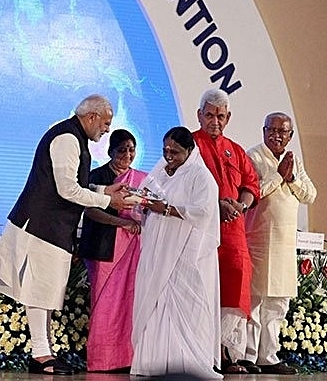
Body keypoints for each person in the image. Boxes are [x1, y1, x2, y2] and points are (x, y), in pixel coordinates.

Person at [0, 94, 134, 376]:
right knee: (39, 291)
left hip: (53, 229)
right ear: (91, 117)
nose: (106, 130)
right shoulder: (67, 138)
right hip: (42, 227)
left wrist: (105, 191)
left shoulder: (75, 138)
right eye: (105, 123)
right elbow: (66, 189)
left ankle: (44, 352)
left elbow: (75, 183)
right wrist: (108, 202)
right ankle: (40, 354)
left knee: (46, 291)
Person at [131, 126, 221, 379]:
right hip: (157, 249)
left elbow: (203, 212)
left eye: (176, 152)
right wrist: (143, 201)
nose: (169, 156)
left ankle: (188, 363)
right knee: (155, 299)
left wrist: (167, 208)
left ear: (189, 151)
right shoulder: (160, 169)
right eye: (165, 150)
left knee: (184, 305)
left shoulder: (201, 176)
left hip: (185, 252)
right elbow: (147, 194)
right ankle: (151, 362)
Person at [192, 88, 260, 374]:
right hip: (201, 233)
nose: (215, 121)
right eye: (209, 115)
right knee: (203, 292)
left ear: (228, 117)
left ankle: (227, 356)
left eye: (220, 116)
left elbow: (251, 185)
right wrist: (216, 204)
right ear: (199, 115)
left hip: (233, 236)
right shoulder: (191, 145)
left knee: (234, 289)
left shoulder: (236, 149)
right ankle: (205, 354)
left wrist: (241, 206)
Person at [242, 112, 316, 375]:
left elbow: (311, 195)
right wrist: (279, 176)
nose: (276, 135)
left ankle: (268, 356)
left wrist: (292, 177)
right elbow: (254, 192)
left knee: (278, 303)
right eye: (271, 130)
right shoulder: (253, 156)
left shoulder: (293, 161)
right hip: (259, 241)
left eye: (282, 131)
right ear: (263, 131)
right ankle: (247, 357)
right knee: (255, 301)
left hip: (284, 244)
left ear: (290, 136)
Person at [78, 129, 146, 372]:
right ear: (110, 152)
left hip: (133, 248)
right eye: (121, 150)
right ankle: (103, 360)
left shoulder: (140, 180)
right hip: (104, 247)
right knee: (104, 302)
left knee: (130, 302)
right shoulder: (97, 176)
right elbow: (90, 209)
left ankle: (127, 357)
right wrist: (122, 223)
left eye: (131, 149)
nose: (127, 155)